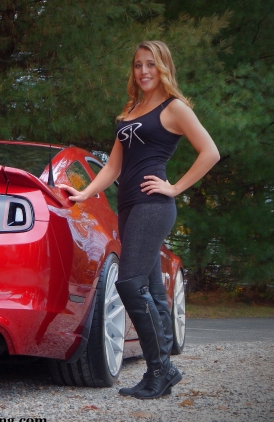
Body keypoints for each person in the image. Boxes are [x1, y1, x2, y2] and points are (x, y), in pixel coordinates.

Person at [57, 40, 219, 399]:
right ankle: (158, 373)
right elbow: (114, 166)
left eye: (150, 64)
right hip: (129, 206)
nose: (143, 71)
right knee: (154, 292)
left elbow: (210, 152)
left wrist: (174, 187)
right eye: (137, 65)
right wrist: (84, 193)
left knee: (130, 284)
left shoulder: (174, 108)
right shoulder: (131, 110)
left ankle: (162, 369)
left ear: (163, 68)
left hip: (153, 205)